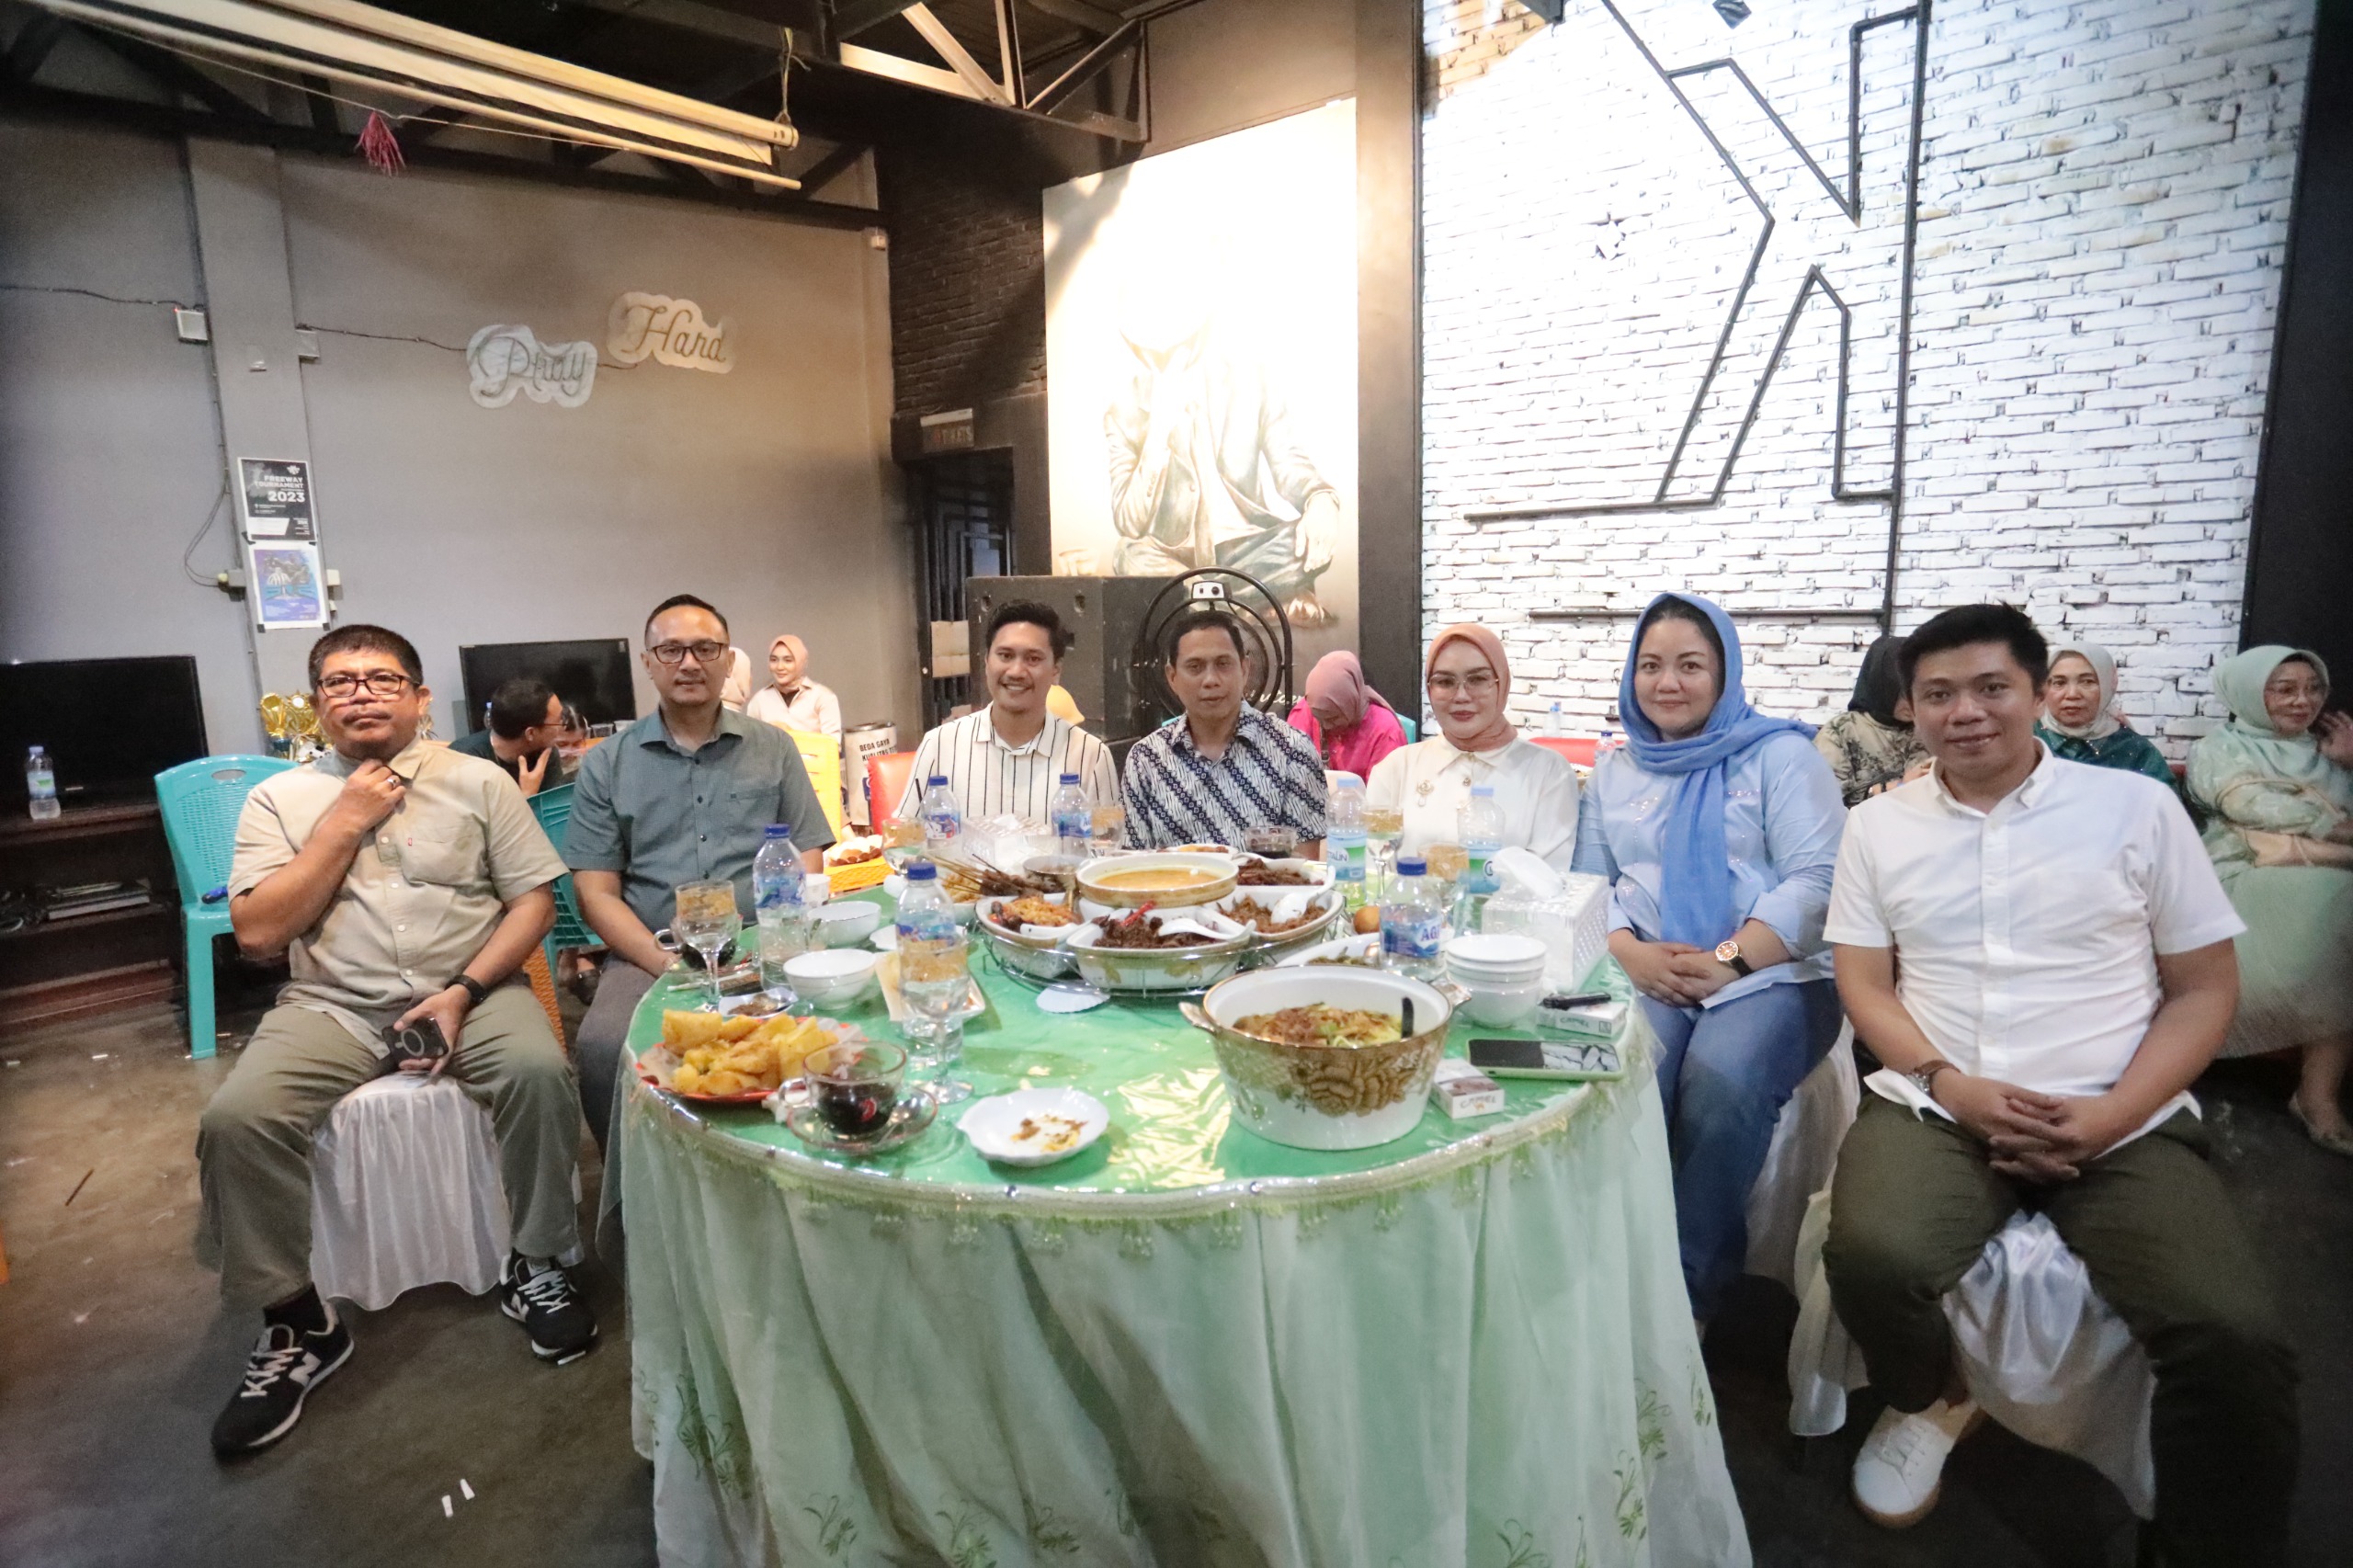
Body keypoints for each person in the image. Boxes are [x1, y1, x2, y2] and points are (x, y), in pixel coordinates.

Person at [1820, 604, 2293, 1557]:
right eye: (1938, 694)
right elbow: (1864, 983)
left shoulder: (2137, 810)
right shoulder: (1877, 826)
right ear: (1910, 708)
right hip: (1938, 1103)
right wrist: (1947, 1082)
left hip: (2119, 1106)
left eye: (1991, 687)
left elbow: (2205, 990)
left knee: (2231, 1331)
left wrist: (2112, 1114)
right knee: (1873, 1256)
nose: (1965, 712)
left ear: (2037, 693)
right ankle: (1931, 1396)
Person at [198, 625, 592, 1458]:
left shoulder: (479, 781)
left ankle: (536, 1260)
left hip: (471, 992)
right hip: (332, 1004)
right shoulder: (279, 800)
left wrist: (464, 991)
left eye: (382, 679)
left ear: (419, 698)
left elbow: (532, 902)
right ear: (316, 706)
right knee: (238, 1118)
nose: (362, 693)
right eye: (340, 682)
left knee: (536, 1070)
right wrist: (342, 824)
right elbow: (259, 934)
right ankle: (299, 1321)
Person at [1570, 593, 1845, 1321]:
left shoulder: (1783, 757)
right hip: (1651, 966)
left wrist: (1729, 958)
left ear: (1724, 674)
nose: (1668, 683)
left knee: (1721, 1082)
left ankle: (1688, 1291)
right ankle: (1614, 1265)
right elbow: (1588, 883)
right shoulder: (1616, 771)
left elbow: (1820, 881)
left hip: (1771, 972)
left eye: (1690, 665)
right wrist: (1628, 952)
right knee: (1629, 1073)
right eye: (1651, 665)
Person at [567, 596, 835, 1152]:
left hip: (765, 943)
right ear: (648, 662)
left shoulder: (773, 747)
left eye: (705, 649)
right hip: (649, 952)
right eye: (671, 650)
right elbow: (595, 892)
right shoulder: (608, 763)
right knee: (602, 1045)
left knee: (825, 1029)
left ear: (727, 660)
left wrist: (780, 940)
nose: (689, 663)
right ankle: (634, 1190)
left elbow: (808, 853)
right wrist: (662, 963)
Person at [2187, 645, 2353, 1154]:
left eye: (2313, 688)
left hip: (2323, 871)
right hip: (2242, 868)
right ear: (2249, 694)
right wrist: (2341, 829)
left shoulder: (2330, 750)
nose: (2303, 701)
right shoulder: (2219, 748)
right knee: (2337, 906)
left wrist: (2349, 763)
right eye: (2284, 689)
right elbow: (2252, 806)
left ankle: (2316, 1094)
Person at [1365, 626, 1579, 872]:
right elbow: (1374, 872)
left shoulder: (1549, 773)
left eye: (1477, 679)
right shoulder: (1396, 768)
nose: (1461, 696)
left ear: (1501, 683)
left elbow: (1547, 880)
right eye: (1445, 682)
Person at [895, 602, 1118, 827]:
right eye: (1005, 656)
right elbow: (905, 837)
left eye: (1033, 659)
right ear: (986, 662)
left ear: (1056, 671)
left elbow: (1107, 843)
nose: (1016, 671)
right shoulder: (939, 745)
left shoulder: (1091, 756)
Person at [1123, 608, 1328, 852]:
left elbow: (1302, 865)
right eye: (1195, 667)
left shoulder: (1293, 751)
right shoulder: (1145, 760)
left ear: (1245, 669)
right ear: (1172, 677)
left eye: (1223, 664)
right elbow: (1133, 864)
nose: (1211, 680)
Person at [2037, 641, 2186, 805]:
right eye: (2059, 683)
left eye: (2087, 682)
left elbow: (2166, 811)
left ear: (2107, 686)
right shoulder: (2026, 738)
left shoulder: (2135, 751)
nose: (2072, 694)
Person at [1814, 634, 1930, 807]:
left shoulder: (1928, 729)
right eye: (1903, 693)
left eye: (1920, 692)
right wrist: (1898, 787)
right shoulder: (1840, 733)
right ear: (1882, 687)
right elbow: (1826, 805)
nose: (1913, 702)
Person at [1287, 651, 1407, 778]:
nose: (1326, 725)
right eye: (1319, 719)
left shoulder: (1384, 731)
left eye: (1334, 718)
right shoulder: (1309, 709)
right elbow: (1289, 770)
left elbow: (1384, 787)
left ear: (1351, 701)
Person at [449, 676, 571, 798]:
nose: (563, 726)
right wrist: (527, 795)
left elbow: (554, 807)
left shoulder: (544, 752)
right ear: (531, 733)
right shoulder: (463, 761)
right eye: (559, 720)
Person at [745, 634, 843, 742]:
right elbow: (751, 743)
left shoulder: (822, 697)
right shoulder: (759, 700)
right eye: (774, 660)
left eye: (788, 660)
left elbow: (832, 744)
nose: (780, 667)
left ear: (801, 662)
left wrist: (791, 734)